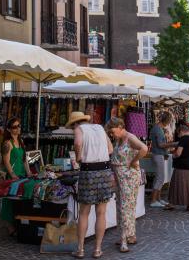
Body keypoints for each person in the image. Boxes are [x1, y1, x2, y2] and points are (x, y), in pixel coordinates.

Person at [68, 112, 115, 259]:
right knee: (101, 213)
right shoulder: (100, 128)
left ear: (75, 123)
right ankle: (97, 249)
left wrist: (78, 156)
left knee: (84, 212)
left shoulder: (79, 129)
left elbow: (77, 143)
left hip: (88, 171)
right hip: (105, 171)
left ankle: (80, 249)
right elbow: (111, 150)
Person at [108, 117, 148, 253]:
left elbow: (144, 148)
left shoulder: (130, 137)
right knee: (122, 206)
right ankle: (129, 235)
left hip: (128, 176)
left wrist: (133, 161)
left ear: (120, 126)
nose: (112, 135)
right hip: (120, 176)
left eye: (113, 132)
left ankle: (124, 239)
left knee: (126, 206)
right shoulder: (119, 138)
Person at [0, 117, 32, 236]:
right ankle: (9, 225)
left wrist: (28, 172)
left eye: (19, 125)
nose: (18, 128)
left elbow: (25, 160)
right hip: (12, 176)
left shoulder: (21, 141)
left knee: (18, 200)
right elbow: (6, 162)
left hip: (22, 174)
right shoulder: (7, 143)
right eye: (15, 127)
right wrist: (12, 175)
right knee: (9, 200)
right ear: (9, 129)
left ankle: (18, 222)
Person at [168, 124, 189, 211]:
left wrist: (173, 156)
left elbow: (178, 153)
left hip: (181, 166)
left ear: (181, 131)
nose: (179, 136)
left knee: (177, 185)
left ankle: (172, 204)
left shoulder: (184, 138)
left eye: (179, 134)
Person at [149, 111, 175, 208]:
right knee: (160, 178)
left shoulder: (157, 128)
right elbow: (160, 144)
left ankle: (158, 199)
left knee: (159, 178)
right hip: (158, 154)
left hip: (158, 154)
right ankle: (154, 200)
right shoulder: (158, 129)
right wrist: (173, 144)